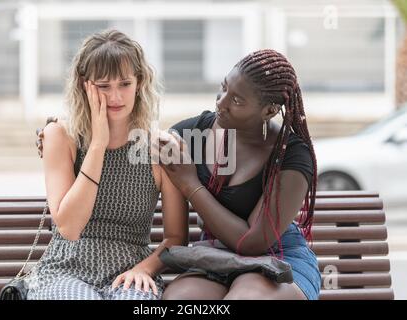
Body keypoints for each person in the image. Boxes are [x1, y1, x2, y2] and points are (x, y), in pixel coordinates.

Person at [37, 49, 321, 300]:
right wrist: (57, 134)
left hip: (279, 259)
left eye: (236, 100)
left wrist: (189, 183)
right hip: (216, 258)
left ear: (269, 110)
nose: (221, 103)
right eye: (223, 88)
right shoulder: (195, 133)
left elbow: (253, 242)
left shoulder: (292, 156)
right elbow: (135, 139)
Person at [27, 29, 187, 300]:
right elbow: (69, 227)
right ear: (84, 85)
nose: (115, 97)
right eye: (103, 86)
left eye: (124, 84)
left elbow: (176, 237)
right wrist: (98, 144)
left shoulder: (159, 148)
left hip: (131, 270)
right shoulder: (60, 137)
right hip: (66, 268)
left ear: (139, 83)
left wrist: (145, 269)